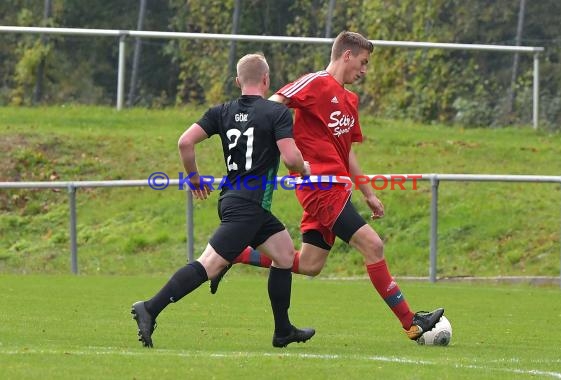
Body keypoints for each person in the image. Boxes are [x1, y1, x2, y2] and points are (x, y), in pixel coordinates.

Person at [210, 31, 444, 341]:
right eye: (362, 62)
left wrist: (369, 193)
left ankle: (237, 254)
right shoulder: (316, 82)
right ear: (346, 55)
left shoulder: (350, 100)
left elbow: (347, 152)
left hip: (339, 188)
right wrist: (270, 147)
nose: (364, 70)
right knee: (373, 245)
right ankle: (411, 322)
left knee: (309, 264)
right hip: (318, 187)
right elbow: (271, 106)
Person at [131, 53, 315, 349]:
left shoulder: (221, 111)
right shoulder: (276, 113)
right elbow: (292, 158)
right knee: (209, 265)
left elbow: (185, 142)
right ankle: (150, 308)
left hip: (240, 202)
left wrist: (194, 178)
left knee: (283, 255)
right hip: (247, 207)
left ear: (238, 81)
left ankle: (283, 331)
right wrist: (302, 169)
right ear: (266, 80)